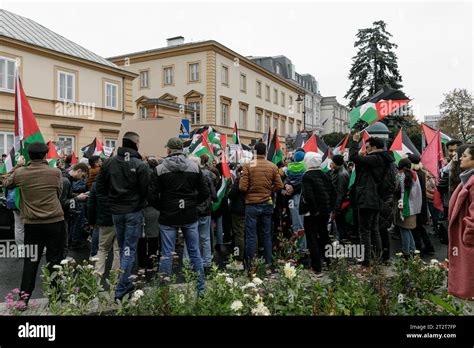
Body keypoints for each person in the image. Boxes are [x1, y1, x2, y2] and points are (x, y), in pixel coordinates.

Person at [2, 142, 65, 305]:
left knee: (31, 261)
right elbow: (60, 192)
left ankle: (23, 300)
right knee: (55, 260)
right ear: (45, 155)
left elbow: (6, 184)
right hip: (55, 221)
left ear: (29, 156)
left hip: (32, 223)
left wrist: (17, 166)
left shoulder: (21, 173)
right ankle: (55, 298)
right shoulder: (56, 172)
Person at [148, 138, 209, 295]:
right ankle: (201, 290)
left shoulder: (160, 168)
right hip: (189, 215)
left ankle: (164, 293)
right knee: (194, 251)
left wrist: (164, 207)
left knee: (166, 254)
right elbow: (205, 193)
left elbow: (152, 196)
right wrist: (192, 204)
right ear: (182, 149)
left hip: (168, 216)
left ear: (168, 150)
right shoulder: (195, 167)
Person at [96, 131, 150, 301]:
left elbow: (100, 188)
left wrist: (112, 202)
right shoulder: (140, 164)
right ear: (135, 144)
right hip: (133, 211)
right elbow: (145, 191)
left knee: (124, 247)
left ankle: (125, 283)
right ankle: (121, 288)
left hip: (116, 212)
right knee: (128, 249)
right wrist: (138, 203)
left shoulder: (109, 163)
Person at [349, 134, 395, 266]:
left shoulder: (375, 158)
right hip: (375, 198)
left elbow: (353, 158)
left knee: (365, 231)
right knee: (374, 230)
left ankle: (366, 260)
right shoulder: (382, 158)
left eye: (368, 147)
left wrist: (355, 142)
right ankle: (377, 257)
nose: (366, 149)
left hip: (367, 198)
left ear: (374, 147)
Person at [239, 142, 283, 271]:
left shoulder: (248, 165)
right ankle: (268, 264)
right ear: (265, 152)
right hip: (267, 203)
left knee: (251, 235)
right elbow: (280, 185)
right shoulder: (272, 166)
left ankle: (251, 264)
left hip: (251, 204)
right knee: (266, 234)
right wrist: (269, 191)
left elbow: (242, 187)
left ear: (254, 152)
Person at [299, 152, 335, 275]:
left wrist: (314, 211)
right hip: (324, 212)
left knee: (312, 238)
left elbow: (309, 195)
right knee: (324, 236)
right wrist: (329, 208)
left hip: (312, 213)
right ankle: (329, 261)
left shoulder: (307, 176)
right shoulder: (325, 175)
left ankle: (316, 266)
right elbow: (333, 193)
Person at [448, 145, 474, 300]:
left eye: (464, 156)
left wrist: (468, 237)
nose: (461, 158)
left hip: (467, 241)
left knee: (468, 277)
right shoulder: (466, 178)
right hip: (462, 237)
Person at [183, 155, 217, 272]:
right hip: (205, 210)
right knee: (205, 237)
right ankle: (206, 261)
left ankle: (188, 262)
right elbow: (213, 194)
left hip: (190, 210)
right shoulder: (207, 174)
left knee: (189, 237)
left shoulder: (185, 175)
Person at [87, 180, 120, 276]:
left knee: (102, 249)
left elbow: (91, 204)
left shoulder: (97, 184)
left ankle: (98, 274)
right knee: (118, 249)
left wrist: (91, 221)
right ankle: (115, 276)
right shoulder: (122, 180)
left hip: (104, 220)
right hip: (119, 218)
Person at [394, 158, 422, 257]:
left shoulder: (401, 176)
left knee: (404, 230)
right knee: (407, 229)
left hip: (405, 206)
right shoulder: (414, 174)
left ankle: (406, 252)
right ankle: (413, 249)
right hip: (414, 206)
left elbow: (400, 192)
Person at [408, 154, 435, 255]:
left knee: (416, 227)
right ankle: (429, 247)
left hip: (417, 203)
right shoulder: (422, 173)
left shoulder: (414, 174)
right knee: (420, 227)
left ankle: (418, 248)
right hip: (422, 203)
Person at [62, 163, 89, 249]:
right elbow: (62, 202)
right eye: (82, 176)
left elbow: (68, 195)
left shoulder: (67, 179)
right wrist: (77, 198)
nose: (82, 179)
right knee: (63, 245)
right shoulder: (66, 181)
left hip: (64, 214)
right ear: (79, 171)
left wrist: (80, 195)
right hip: (62, 215)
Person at [283, 149, 306, 251]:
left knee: (296, 223)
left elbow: (286, 180)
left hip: (291, 198)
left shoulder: (289, 168)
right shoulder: (306, 168)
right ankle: (301, 249)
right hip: (301, 198)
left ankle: (299, 247)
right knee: (301, 224)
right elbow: (304, 182)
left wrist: (288, 186)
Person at [228, 164, 246, 269]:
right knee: (251, 234)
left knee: (238, 235)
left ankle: (238, 261)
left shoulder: (239, 179)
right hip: (251, 208)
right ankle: (252, 259)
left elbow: (232, 194)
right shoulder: (253, 178)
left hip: (238, 210)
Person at [438, 139, 462, 216]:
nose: (453, 153)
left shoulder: (464, 166)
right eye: (450, 151)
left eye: (456, 150)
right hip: (448, 203)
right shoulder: (449, 166)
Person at [329, 154, 350, 242]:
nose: (331, 163)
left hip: (340, 202)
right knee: (339, 221)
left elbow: (340, 193)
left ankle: (340, 239)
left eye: (332, 162)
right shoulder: (336, 171)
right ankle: (341, 237)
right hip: (336, 201)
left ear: (336, 163)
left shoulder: (342, 174)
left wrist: (336, 207)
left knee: (339, 221)